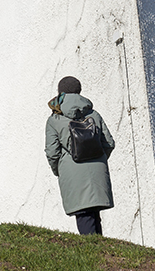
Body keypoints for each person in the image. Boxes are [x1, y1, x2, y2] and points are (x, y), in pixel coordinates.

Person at [45, 75, 115, 235]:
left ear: (60, 92)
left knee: (84, 216)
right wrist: (98, 159)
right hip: (97, 171)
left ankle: (95, 254)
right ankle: (100, 252)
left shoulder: (55, 119)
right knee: (94, 216)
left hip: (72, 172)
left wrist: (59, 171)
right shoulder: (93, 114)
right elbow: (109, 143)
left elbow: (52, 152)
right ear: (79, 91)